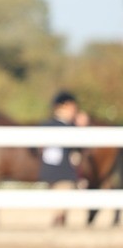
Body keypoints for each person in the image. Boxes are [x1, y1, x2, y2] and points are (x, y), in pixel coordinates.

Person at [40, 90, 81, 226]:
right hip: (58, 172)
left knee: (61, 206)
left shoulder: (69, 126)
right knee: (59, 206)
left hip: (63, 172)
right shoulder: (51, 126)